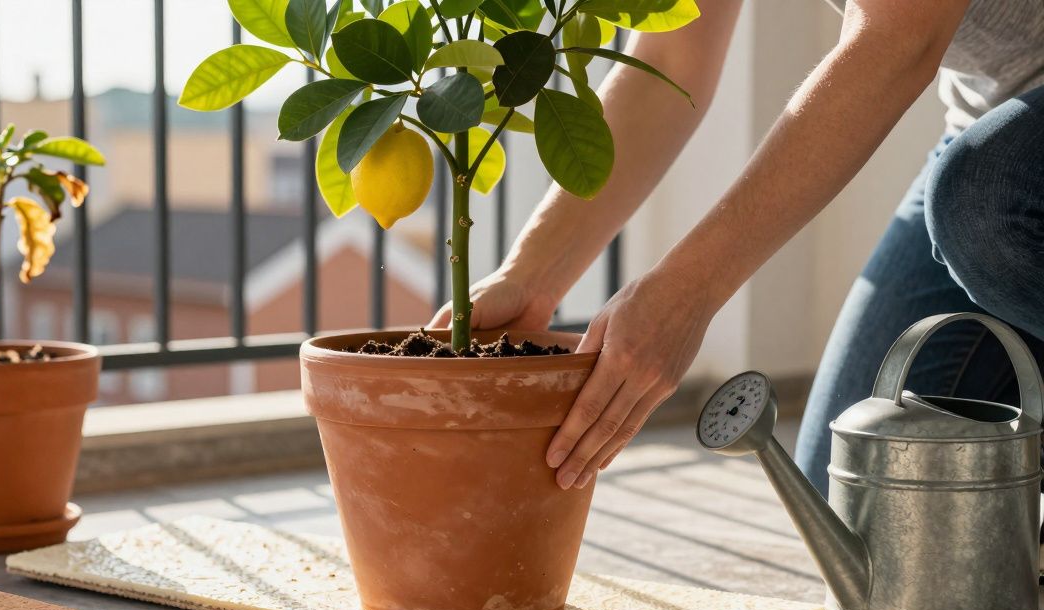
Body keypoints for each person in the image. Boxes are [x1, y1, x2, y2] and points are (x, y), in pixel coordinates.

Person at [429, 0, 1044, 495]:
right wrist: (531, 275)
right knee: (858, 485)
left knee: (985, 202)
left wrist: (687, 294)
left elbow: (895, 40)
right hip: (987, 116)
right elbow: (673, 53)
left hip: (1002, 177)